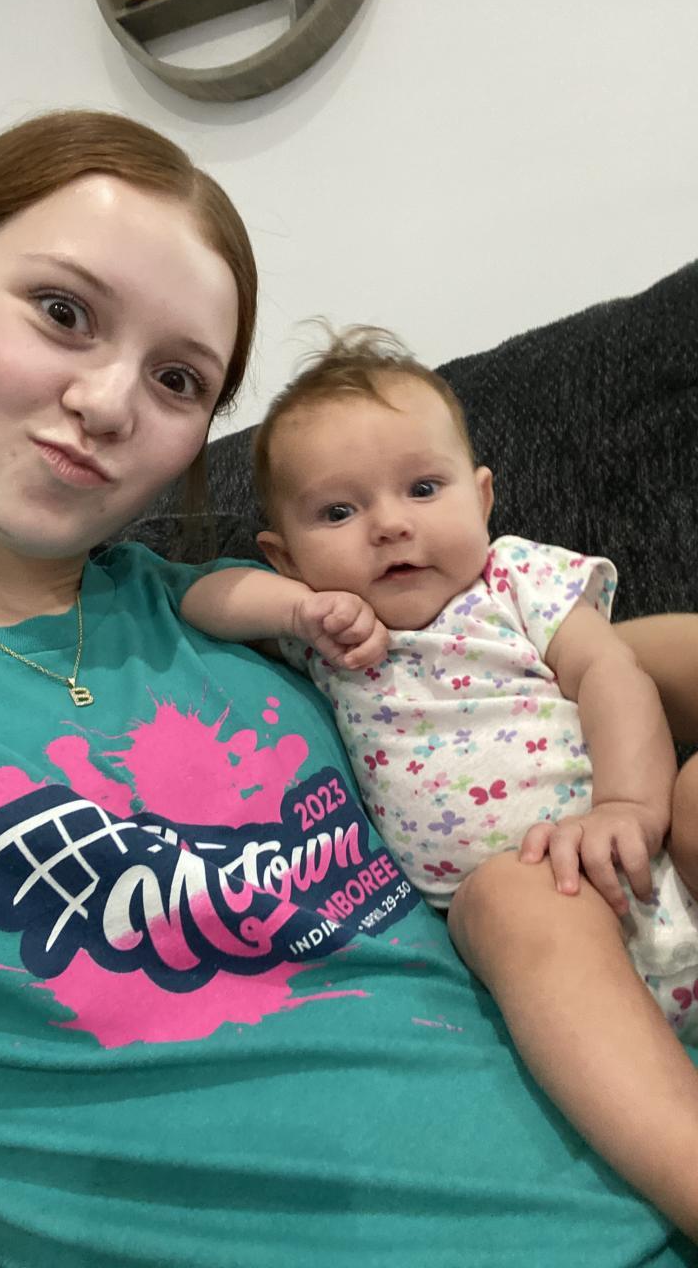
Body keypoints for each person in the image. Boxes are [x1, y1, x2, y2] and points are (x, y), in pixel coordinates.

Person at [0, 110, 693, 1268]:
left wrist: (613, 706)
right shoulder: (286, 607)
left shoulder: (208, 606)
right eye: (62, 312)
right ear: (288, 538)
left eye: (179, 378)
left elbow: (536, 668)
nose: (109, 404)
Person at [182, 326, 698, 1241]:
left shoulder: (517, 579)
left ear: (483, 496)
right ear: (285, 555)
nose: (390, 524)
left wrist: (630, 803)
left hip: (643, 855)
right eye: (338, 512)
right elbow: (200, 600)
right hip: (545, 923)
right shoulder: (331, 639)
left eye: (424, 489)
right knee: (509, 897)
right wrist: (300, 609)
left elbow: (613, 676)